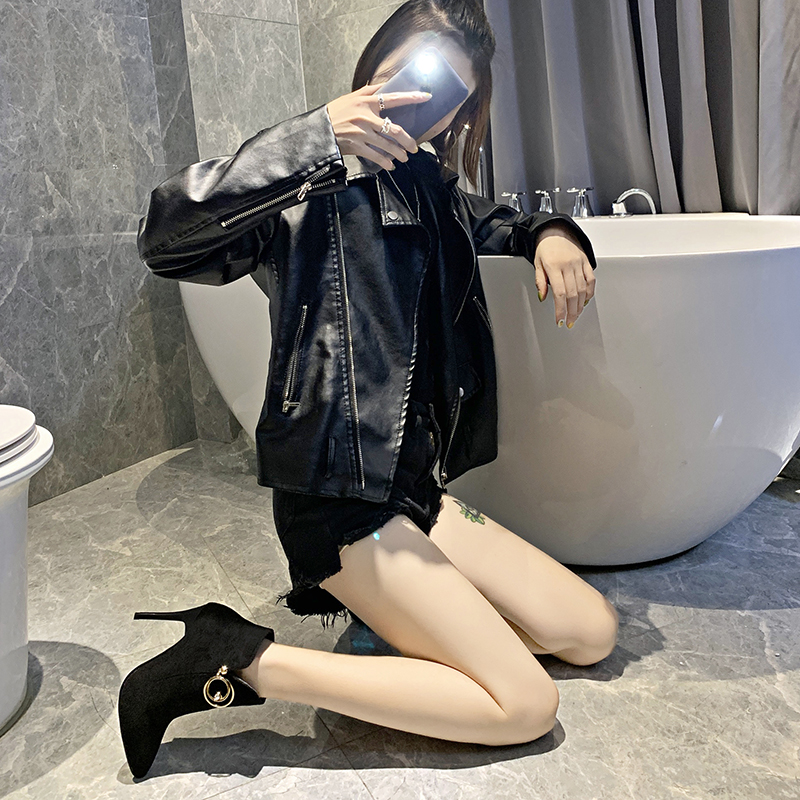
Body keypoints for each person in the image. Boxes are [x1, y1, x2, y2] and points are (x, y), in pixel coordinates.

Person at [118, 0, 618, 780]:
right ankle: (238, 657)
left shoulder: (434, 189)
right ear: (376, 66)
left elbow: (499, 221)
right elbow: (165, 238)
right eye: (415, 73)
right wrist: (317, 136)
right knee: (525, 705)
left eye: (451, 96)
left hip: (416, 492)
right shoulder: (300, 185)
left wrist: (550, 232)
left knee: (590, 632)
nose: (428, 103)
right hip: (340, 502)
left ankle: (401, 629)